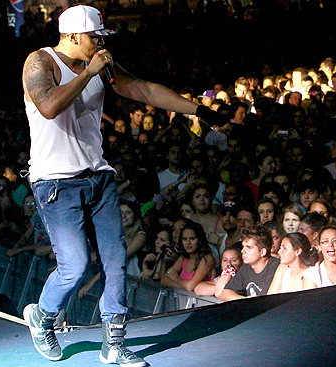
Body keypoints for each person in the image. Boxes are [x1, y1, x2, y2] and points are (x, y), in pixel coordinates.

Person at [21, 5, 225, 365]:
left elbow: (143, 90)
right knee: (75, 265)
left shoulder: (100, 64)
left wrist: (199, 110)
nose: (100, 41)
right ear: (72, 36)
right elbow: (49, 106)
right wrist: (89, 73)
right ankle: (44, 316)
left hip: (97, 176)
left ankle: (113, 342)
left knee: (115, 261)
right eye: (94, 35)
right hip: (55, 182)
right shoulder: (40, 62)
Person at [218, 225, 280, 300]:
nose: (242, 251)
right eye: (243, 247)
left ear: (262, 252)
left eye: (249, 247)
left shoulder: (275, 267)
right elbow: (225, 292)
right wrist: (243, 300)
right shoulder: (247, 266)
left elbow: (264, 301)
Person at [161, 221, 216, 291]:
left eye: (192, 239)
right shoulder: (183, 258)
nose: (188, 243)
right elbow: (164, 279)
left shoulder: (207, 258)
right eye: (184, 239)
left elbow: (190, 286)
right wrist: (183, 286)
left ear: (199, 240)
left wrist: (176, 278)